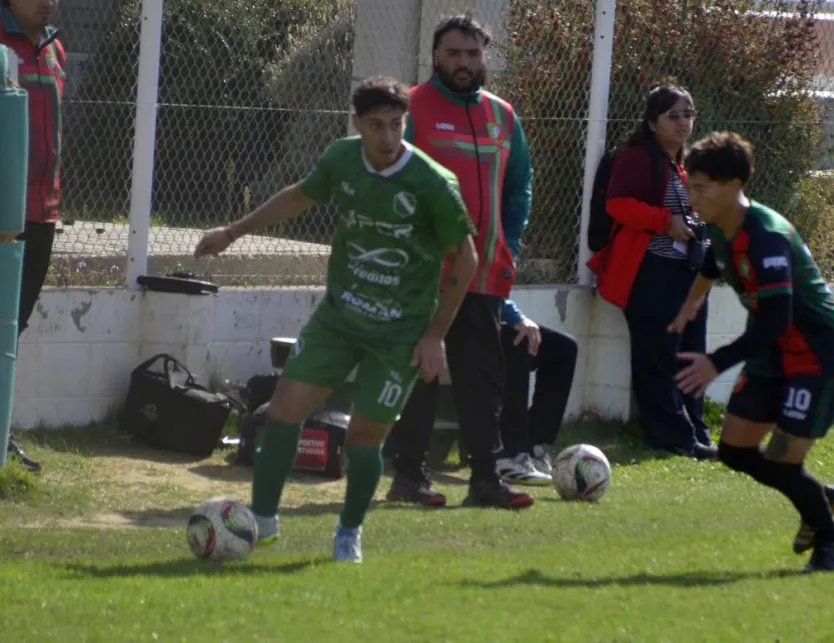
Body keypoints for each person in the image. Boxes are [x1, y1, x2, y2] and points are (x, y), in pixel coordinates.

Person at [193, 77, 478, 563]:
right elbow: (301, 195)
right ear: (357, 125)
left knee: (365, 438)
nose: (388, 137)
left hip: (400, 332)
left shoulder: (433, 184)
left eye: (396, 125)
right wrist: (234, 231)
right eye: (376, 126)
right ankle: (263, 521)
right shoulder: (341, 158)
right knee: (284, 407)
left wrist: (435, 336)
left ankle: (349, 533)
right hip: (339, 317)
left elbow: (465, 260)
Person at [668, 131, 834, 573]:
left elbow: (776, 319)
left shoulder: (766, 237)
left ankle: (832, 541)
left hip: (815, 357)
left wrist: (715, 362)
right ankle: (819, 499)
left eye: (700, 188)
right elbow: (714, 262)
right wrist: (693, 302)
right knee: (734, 450)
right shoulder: (719, 225)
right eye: (688, 186)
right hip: (773, 356)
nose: (691, 198)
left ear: (732, 186)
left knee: (783, 461)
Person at [383, 13, 535, 509]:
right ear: (435, 56)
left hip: (483, 274)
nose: (463, 63)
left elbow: (518, 190)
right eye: (453, 54)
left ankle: (486, 480)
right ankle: (408, 476)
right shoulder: (410, 109)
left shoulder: (503, 115)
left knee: (482, 380)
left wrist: (505, 244)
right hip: (423, 274)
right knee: (421, 374)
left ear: (484, 57)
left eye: (472, 54)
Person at [588, 81, 715, 460]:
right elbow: (618, 204)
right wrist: (665, 221)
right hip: (652, 271)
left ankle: (696, 431)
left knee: (691, 352)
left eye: (688, 113)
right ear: (652, 121)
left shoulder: (684, 161)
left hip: (688, 271)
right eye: (672, 115)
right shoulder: (638, 156)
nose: (682, 122)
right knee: (658, 355)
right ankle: (670, 436)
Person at [1, 0, 65, 473]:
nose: (49, 2)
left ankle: (1, 434)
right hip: (4, 213)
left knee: (11, 330)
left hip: (42, 214)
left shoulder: (53, 48)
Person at [495, 301, 578, 484]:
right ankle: (508, 454)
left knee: (564, 348)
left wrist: (519, 318)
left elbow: (498, 292)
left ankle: (532, 444)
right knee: (518, 341)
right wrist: (516, 319)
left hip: (492, 318)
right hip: (464, 325)